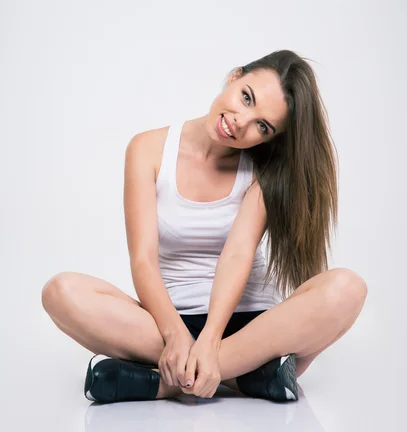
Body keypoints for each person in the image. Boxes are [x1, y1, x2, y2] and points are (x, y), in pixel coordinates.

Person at [41, 49, 368, 404]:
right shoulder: (147, 149)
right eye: (246, 97)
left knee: (348, 289)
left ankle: (170, 381)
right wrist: (177, 336)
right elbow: (143, 260)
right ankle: (248, 379)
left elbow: (237, 255)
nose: (241, 122)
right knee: (61, 292)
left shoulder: (262, 172)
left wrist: (211, 341)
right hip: (167, 326)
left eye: (262, 126)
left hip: (253, 329)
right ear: (234, 76)